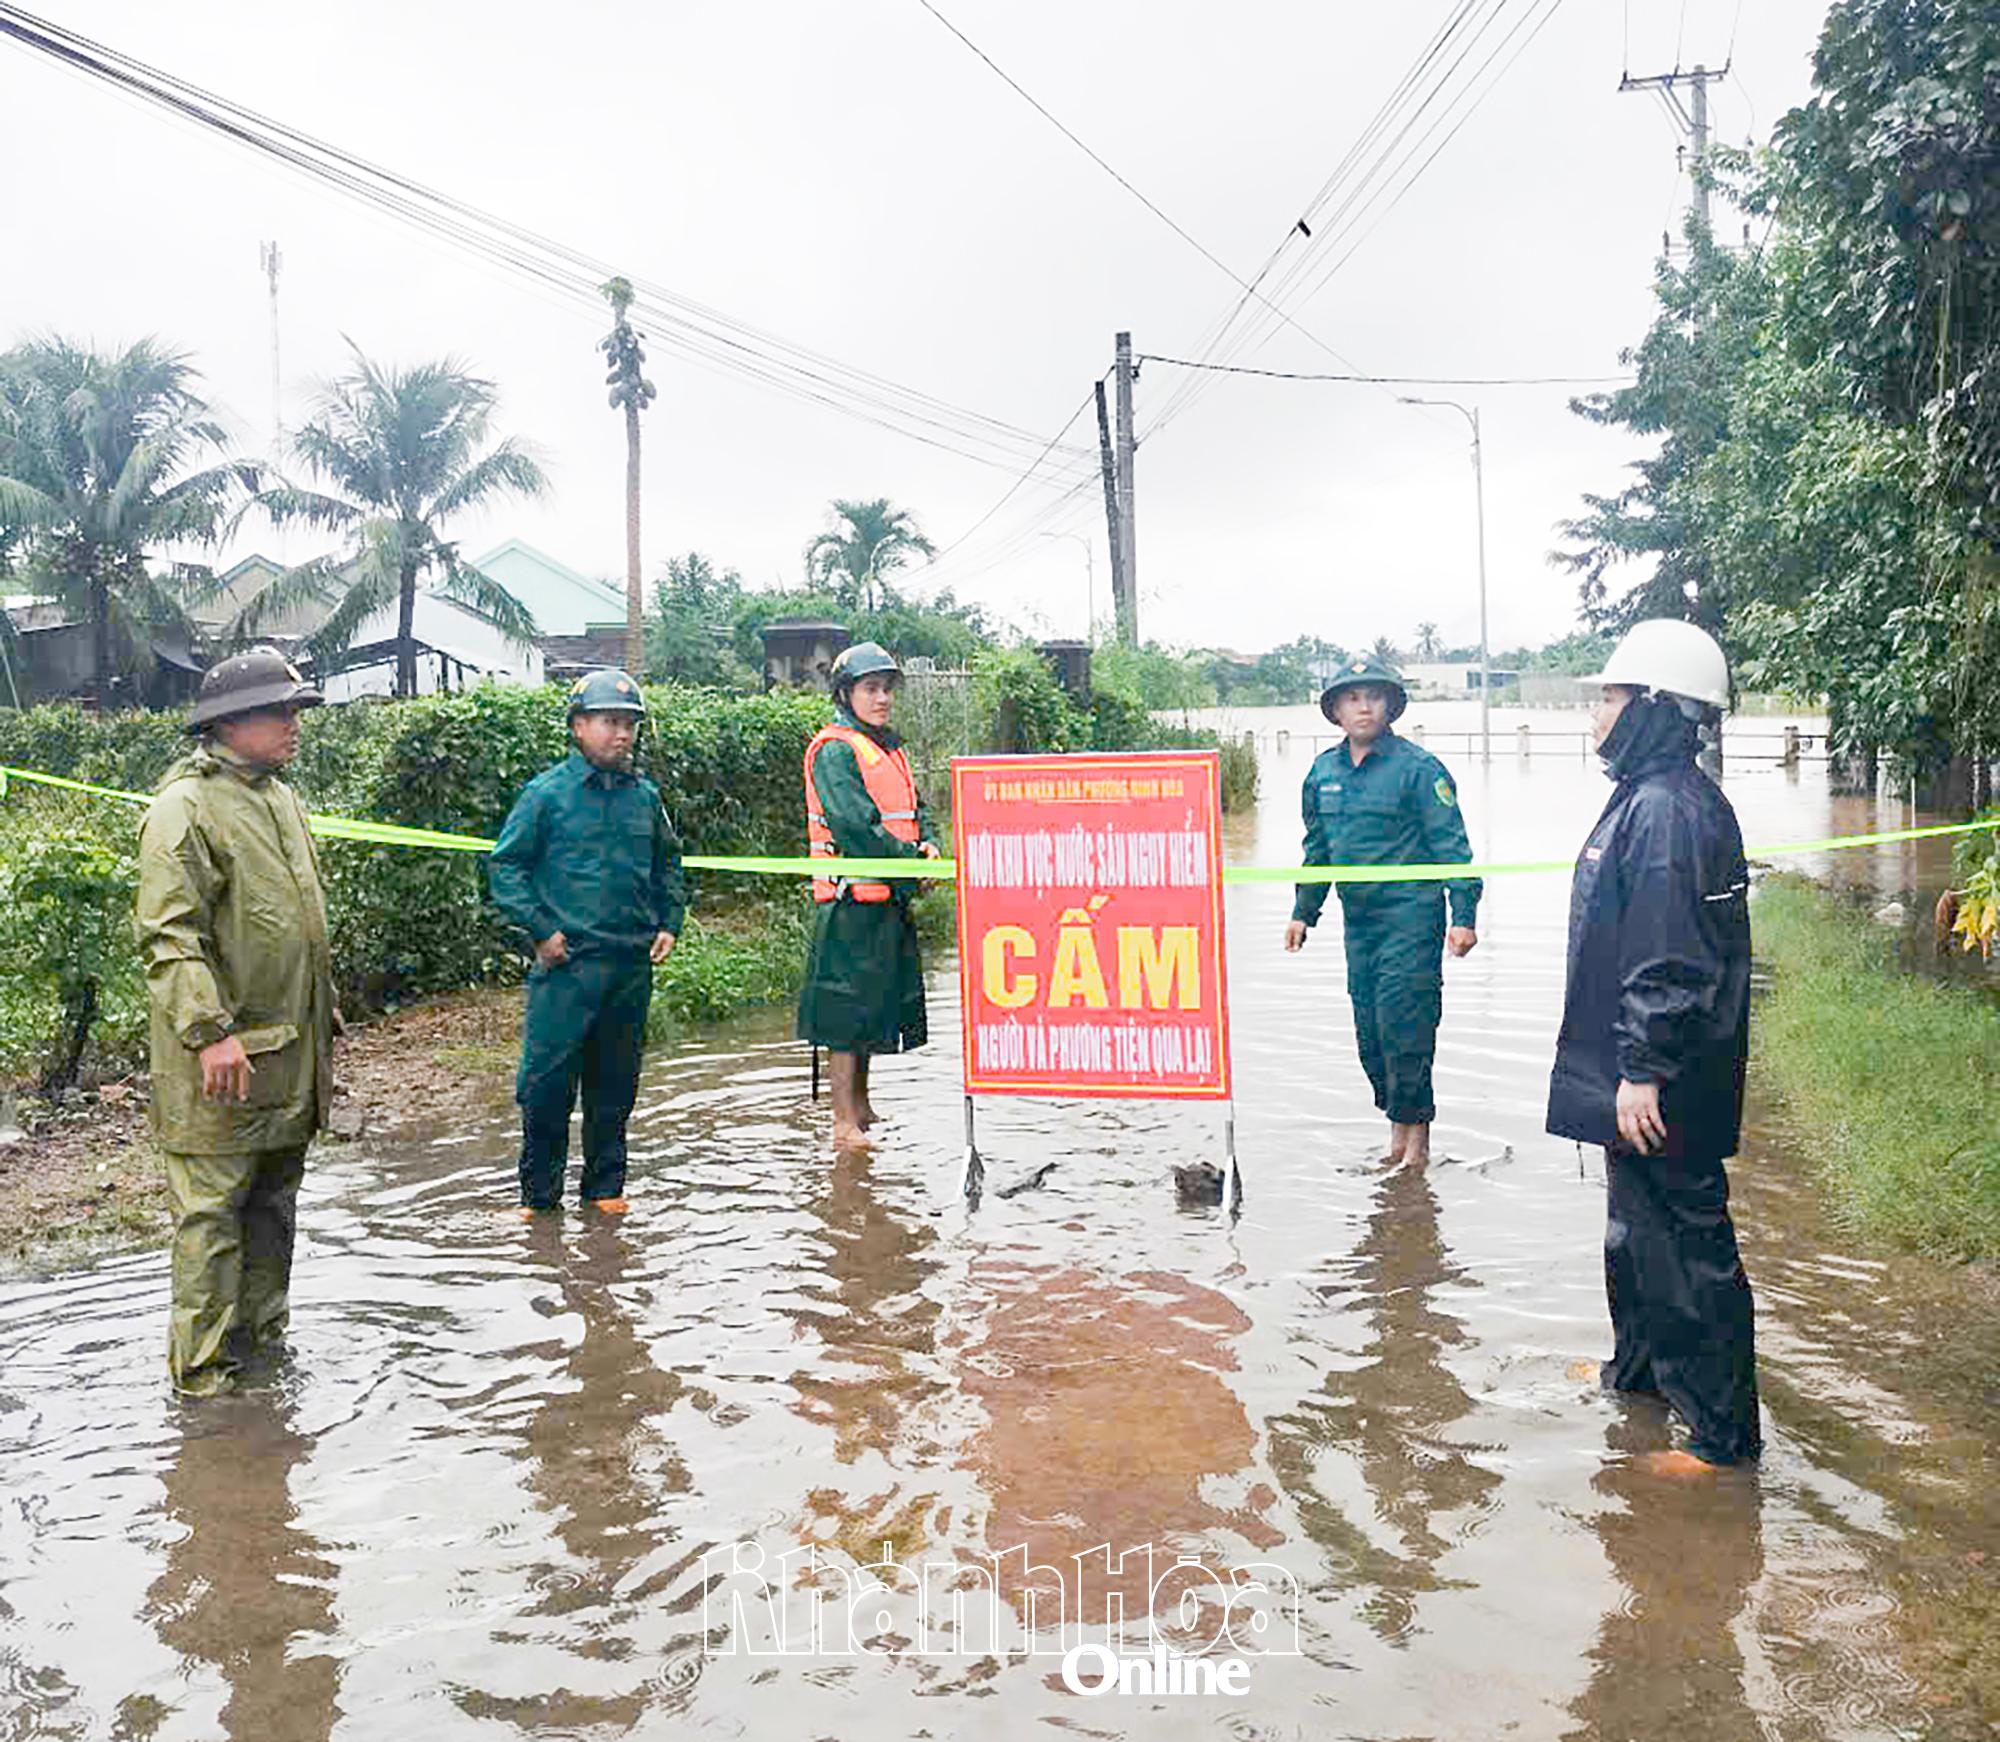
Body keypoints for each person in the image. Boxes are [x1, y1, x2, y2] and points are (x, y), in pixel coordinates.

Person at [1546, 618, 1759, 1476]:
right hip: (1647, 1071)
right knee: (1636, 1236)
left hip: (1667, 1076)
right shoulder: (1649, 792)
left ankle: (1719, 1441)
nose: (1597, 713)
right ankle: (1636, 1380)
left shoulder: (1669, 805)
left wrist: (1643, 1069)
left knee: (1685, 1249)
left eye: (1610, 696)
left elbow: (1668, 955)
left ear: (1657, 707)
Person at [135, 647, 336, 1397]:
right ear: (230, 721)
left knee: (272, 1209)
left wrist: (325, 1010)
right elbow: (170, 935)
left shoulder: (278, 797)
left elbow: (291, 921)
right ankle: (205, 1386)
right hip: (219, 1060)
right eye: (281, 712)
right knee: (212, 1219)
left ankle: (262, 1356)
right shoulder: (183, 808)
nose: (294, 726)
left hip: (287, 1053)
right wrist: (209, 1031)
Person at [488, 670, 684, 1218]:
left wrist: (670, 921)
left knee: (615, 1084)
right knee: (547, 1086)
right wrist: (541, 931)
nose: (621, 735)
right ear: (578, 727)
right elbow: (506, 869)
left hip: (629, 966)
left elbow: (668, 863)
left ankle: (605, 1190)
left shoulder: (644, 797)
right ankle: (538, 1199)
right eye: (608, 723)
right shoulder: (546, 796)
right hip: (567, 967)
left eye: (629, 725)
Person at [1284, 655, 1480, 1166]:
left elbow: (1453, 848)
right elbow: (1318, 849)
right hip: (1360, 925)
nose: (1363, 706)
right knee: (1370, 1034)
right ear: (1335, 710)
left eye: (1373, 696)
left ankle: (1416, 1152)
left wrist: (1463, 915)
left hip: (1412, 918)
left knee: (1406, 1026)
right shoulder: (1322, 773)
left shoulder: (1419, 770)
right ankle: (1397, 1138)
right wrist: (1303, 912)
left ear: (1391, 705)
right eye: (1351, 697)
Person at [797, 642, 940, 1152]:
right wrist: (908, 868)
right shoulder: (836, 750)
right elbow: (857, 827)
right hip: (850, 903)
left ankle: (862, 1106)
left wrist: (926, 848)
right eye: (870, 689)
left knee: (873, 1006)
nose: (882, 699)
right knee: (844, 1014)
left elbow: (915, 811)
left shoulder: (889, 749)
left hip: (888, 897)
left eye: (887, 690)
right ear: (846, 694)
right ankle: (842, 1123)